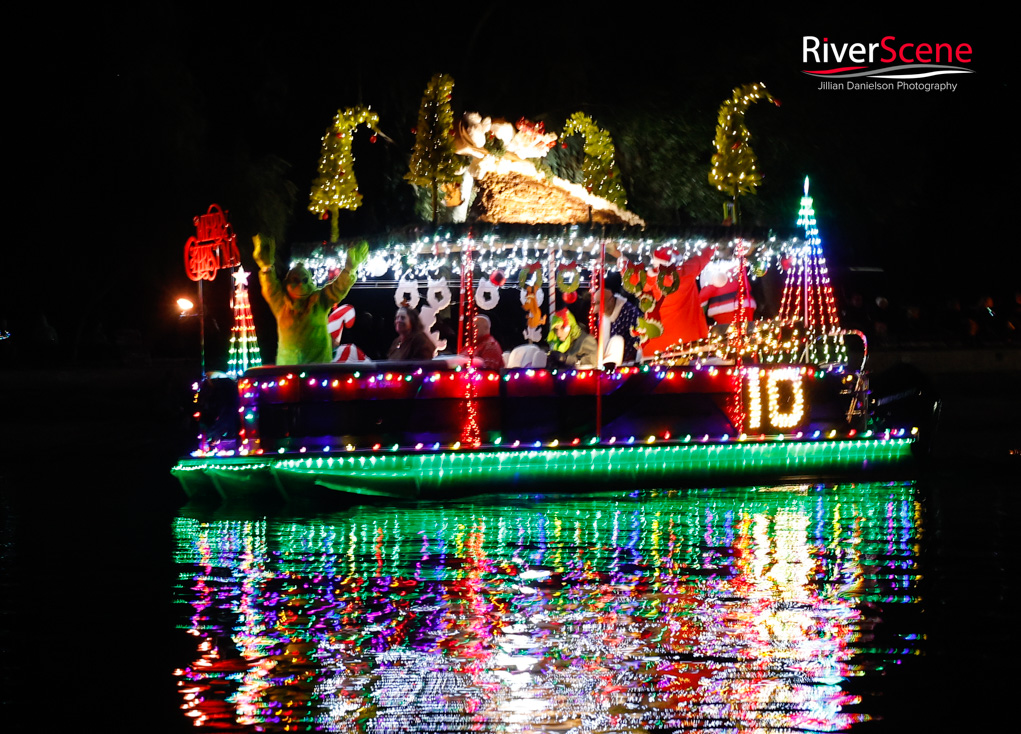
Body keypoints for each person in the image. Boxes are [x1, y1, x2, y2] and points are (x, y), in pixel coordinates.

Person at [254, 234, 367, 364]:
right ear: (286, 284)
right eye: (295, 280)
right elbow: (270, 288)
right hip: (289, 369)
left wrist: (349, 269)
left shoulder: (319, 301)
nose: (301, 284)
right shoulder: (281, 303)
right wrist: (266, 268)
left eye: (305, 280)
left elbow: (337, 289)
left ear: (311, 282)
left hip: (318, 369)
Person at [599, 288, 640, 364]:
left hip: (626, 364)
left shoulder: (630, 312)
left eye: (599, 303)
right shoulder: (602, 318)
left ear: (611, 301)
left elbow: (636, 340)